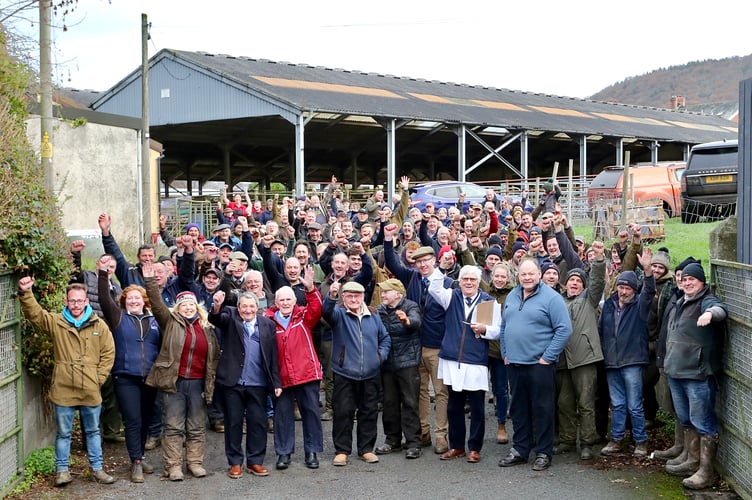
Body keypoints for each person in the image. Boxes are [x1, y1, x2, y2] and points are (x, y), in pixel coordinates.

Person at [17, 277, 117, 486]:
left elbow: (109, 353)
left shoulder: (99, 325)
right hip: (63, 388)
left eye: (80, 301)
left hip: (90, 389)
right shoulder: (57, 322)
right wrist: (26, 293)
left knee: (93, 431)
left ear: (86, 302)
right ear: (66, 301)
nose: (76, 305)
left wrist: (98, 378)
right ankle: (62, 471)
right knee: (63, 433)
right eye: (72, 301)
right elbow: (36, 315)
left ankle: (97, 469)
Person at [143, 263, 220, 481]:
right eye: (184, 304)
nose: (188, 308)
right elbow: (157, 304)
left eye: (191, 304)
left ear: (197, 307)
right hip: (174, 382)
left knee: (196, 426)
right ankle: (173, 466)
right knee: (173, 426)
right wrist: (150, 280)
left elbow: (213, 358)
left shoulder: (206, 327)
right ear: (177, 308)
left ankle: (195, 463)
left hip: (198, 383)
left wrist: (211, 383)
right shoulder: (170, 322)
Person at [498, 258, 572, 471]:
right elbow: (505, 326)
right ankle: (521, 449)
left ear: (539, 274)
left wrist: (547, 357)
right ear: (518, 276)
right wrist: (505, 352)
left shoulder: (552, 298)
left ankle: (543, 452)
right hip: (514, 364)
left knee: (543, 409)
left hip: (539, 365)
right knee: (518, 409)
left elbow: (564, 329)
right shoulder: (512, 295)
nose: (527, 278)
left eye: (531, 274)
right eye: (523, 274)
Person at [96, 255, 161, 482]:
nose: (134, 301)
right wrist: (103, 274)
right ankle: (135, 463)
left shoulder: (154, 321)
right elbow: (104, 299)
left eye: (138, 298)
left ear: (144, 301)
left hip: (150, 378)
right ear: (124, 301)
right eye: (130, 298)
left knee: (144, 419)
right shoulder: (118, 318)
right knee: (133, 420)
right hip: (125, 377)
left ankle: (140, 456)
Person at [428, 265, 501, 464]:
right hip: (452, 360)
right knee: (454, 406)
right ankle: (457, 446)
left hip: (475, 361)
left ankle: (475, 448)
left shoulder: (488, 302)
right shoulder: (451, 296)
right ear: (459, 281)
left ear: (478, 282)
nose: (468, 282)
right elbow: (433, 288)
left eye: (473, 279)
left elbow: (498, 330)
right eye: (465, 279)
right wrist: (440, 268)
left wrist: (485, 328)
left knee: (477, 407)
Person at [663, 263, 727, 489]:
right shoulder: (680, 302)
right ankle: (691, 461)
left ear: (702, 282)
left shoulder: (706, 301)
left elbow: (720, 309)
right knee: (685, 418)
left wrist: (709, 314)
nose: (687, 283)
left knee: (703, 421)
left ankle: (706, 472)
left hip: (697, 374)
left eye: (693, 279)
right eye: (685, 279)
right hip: (676, 371)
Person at [209, 290, 282, 479]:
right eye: (244, 306)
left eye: (252, 306)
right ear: (239, 308)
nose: (248, 310)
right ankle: (235, 462)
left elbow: (273, 355)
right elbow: (217, 319)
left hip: (258, 383)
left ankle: (255, 461)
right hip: (233, 382)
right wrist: (217, 306)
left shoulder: (267, 324)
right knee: (233, 423)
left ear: (257, 308)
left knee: (258, 423)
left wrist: (276, 382)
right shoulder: (231, 317)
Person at [322, 281, 391, 466]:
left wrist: (380, 357)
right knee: (343, 412)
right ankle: (342, 451)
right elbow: (326, 311)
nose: (354, 299)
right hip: (345, 373)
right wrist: (332, 295)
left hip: (371, 372)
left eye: (357, 296)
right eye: (349, 296)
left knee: (368, 412)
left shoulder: (374, 315)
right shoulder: (338, 314)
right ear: (343, 298)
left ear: (363, 297)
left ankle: (366, 449)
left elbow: (384, 338)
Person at [598, 249, 656, 458]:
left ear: (633, 290)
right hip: (612, 361)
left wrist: (647, 270)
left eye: (627, 288)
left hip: (632, 361)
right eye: (621, 287)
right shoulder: (609, 306)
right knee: (618, 404)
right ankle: (617, 439)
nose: (623, 292)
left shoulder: (640, 305)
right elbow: (602, 331)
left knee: (634, 404)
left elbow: (649, 291)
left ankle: (640, 441)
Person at [265, 269, 325, 470]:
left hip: (306, 373)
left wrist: (310, 289)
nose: (285, 303)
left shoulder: (303, 317)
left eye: (288, 299)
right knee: (282, 417)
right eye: (281, 300)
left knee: (311, 413)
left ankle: (312, 452)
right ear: (276, 302)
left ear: (294, 301)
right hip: (280, 377)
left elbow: (316, 307)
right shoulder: (268, 322)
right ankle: (283, 453)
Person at [555, 241, 606, 461]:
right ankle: (567, 440)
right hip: (562, 359)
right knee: (564, 402)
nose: (574, 283)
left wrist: (599, 260)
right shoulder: (556, 301)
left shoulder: (588, 299)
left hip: (584, 359)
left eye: (578, 281)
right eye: (571, 280)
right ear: (565, 284)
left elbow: (596, 282)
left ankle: (587, 442)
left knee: (586, 403)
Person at [374, 279, 423, 459]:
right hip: (387, 364)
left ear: (398, 293)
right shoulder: (379, 310)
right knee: (389, 402)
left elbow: (416, 322)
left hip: (407, 362)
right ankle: (392, 440)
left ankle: (413, 443)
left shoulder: (410, 306)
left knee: (410, 402)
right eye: (383, 291)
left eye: (387, 291)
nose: (383, 294)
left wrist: (406, 321)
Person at [480, 262, 514, 444]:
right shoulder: (486, 292)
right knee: (478, 388)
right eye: (497, 276)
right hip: (482, 347)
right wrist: (463, 248)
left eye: (503, 277)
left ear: (508, 278)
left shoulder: (513, 295)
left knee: (501, 389)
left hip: (501, 350)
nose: (499, 280)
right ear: (492, 277)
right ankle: (478, 428)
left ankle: (501, 425)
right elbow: (472, 269)